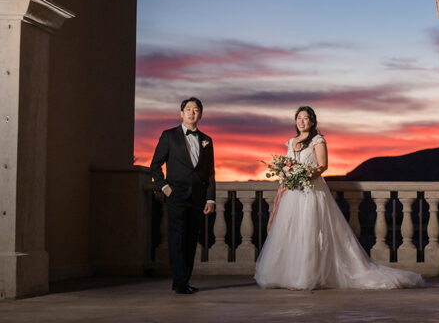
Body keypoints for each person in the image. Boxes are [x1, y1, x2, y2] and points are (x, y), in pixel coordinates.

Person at [254, 106, 424, 290]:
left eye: (305, 118)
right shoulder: (291, 142)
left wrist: (304, 176)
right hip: (292, 194)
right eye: (298, 118)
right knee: (290, 232)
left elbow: (322, 166)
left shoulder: (317, 140)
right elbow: (288, 164)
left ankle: (307, 275)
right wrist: (288, 175)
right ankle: (286, 274)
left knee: (309, 231)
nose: (301, 121)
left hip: (311, 192)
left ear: (312, 121)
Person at [150, 97, 216, 294]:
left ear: (200, 114)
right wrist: (164, 187)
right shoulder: (169, 136)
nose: (192, 113)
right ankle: (178, 282)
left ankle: (184, 280)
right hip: (176, 196)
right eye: (188, 109)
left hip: (198, 198)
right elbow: (155, 166)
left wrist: (210, 198)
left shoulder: (207, 140)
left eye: (196, 110)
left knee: (190, 240)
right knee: (177, 239)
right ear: (181, 113)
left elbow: (210, 172)